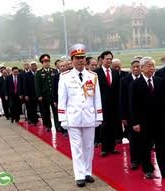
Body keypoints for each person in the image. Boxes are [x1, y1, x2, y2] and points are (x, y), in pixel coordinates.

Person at [58, 43, 103, 187]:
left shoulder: (93, 75)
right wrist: (62, 118)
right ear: (72, 60)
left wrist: (99, 116)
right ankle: (79, 175)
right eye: (77, 58)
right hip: (73, 117)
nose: (80, 60)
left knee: (89, 147)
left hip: (89, 116)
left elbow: (97, 98)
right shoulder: (65, 77)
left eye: (82, 57)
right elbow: (62, 100)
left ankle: (87, 172)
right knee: (76, 147)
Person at [130, 57, 165, 180]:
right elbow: (133, 105)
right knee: (145, 147)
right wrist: (135, 122)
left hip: (159, 121)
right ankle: (148, 170)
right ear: (142, 68)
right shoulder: (135, 84)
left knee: (162, 147)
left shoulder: (160, 81)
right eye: (149, 66)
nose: (152, 68)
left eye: (153, 66)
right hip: (144, 122)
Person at [95, 51, 121, 157]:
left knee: (114, 126)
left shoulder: (115, 72)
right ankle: (105, 148)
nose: (109, 61)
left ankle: (112, 147)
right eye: (107, 59)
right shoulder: (96, 73)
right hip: (102, 104)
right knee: (104, 127)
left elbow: (118, 89)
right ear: (102, 60)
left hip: (114, 104)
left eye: (111, 59)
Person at [120, 59, 142, 170]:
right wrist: (123, 116)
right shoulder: (125, 80)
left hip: (143, 115)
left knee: (144, 139)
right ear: (131, 68)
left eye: (138, 66)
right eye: (134, 67)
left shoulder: (145, 79)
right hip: (130, 115)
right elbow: (122, 99)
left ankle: (144, 159)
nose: (136, 69)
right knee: (133, 139)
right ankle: (134, 160)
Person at [35, 54, 59, 132]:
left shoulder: (54, 71)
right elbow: (37, 85)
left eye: (48, 61)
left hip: (53, 95)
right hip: (44, 96)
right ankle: (47, 125)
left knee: (56, 111)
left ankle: (57, 126)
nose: (47, 63)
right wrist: (39, 95)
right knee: (45, 111)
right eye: (45, 62)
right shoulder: (38, 73)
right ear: (42, 63)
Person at [24, 61, 39, 126]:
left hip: (39, 94)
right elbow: (25, 86)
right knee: (32, 108)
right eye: (32, 66)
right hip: (31, 94)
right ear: (30, 67)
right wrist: (26, 94)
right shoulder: (27, 75)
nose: (34, 67)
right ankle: (33, 120)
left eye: (35, 65)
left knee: (41, 108)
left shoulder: (39, 73)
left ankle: (39, 119)